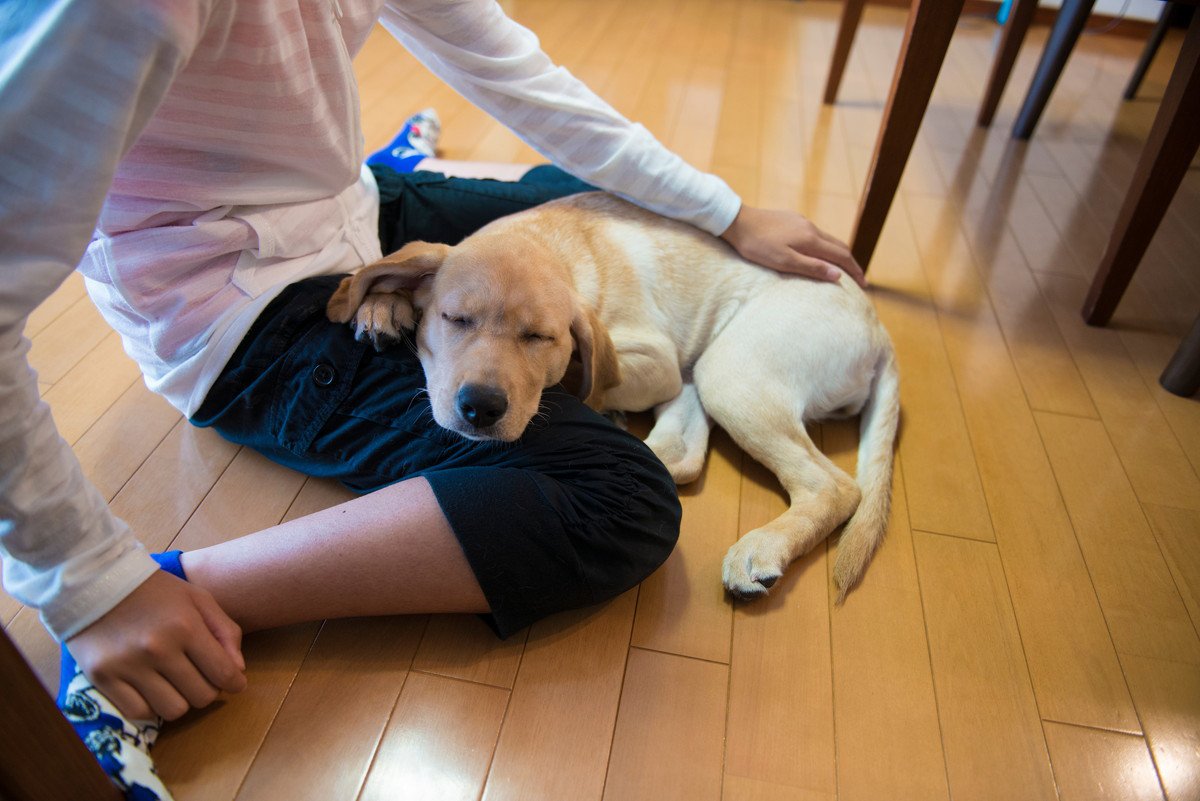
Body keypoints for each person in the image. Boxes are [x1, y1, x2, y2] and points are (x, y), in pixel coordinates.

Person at [0, 1, 865, 797]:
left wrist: (729, 214)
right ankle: (184, 586)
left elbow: (510, 70)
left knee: (574, 196)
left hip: (356, 210)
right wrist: (94, 583)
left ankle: (401, 177)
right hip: (244, 308)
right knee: (621, 499)